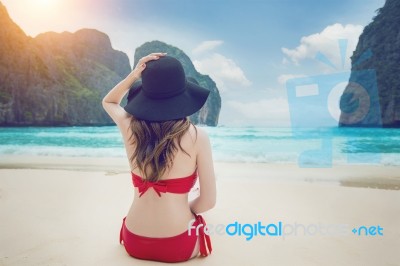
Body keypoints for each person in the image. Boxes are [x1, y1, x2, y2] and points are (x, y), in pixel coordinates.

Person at [102, 53, 216, 263]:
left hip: (134, 240)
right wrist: (182, 208)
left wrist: (133, 75)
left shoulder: (129, 127)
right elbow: (208, 201)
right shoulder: (198, 137)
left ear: (145, 94)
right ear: (184, 97)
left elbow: (109, 101)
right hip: (178, 245)